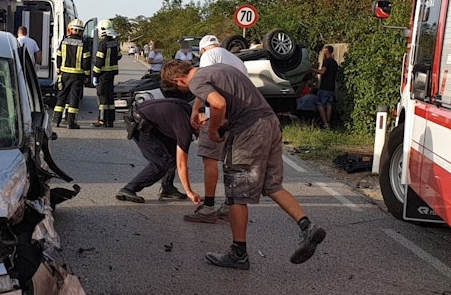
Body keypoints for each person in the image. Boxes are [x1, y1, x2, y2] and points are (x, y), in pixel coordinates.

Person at [161, 59, 325, 270]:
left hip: (250, 131)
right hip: (270, 123)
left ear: (178, 80)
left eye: (179, 88)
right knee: (272, 185)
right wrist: (227, 122)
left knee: (236, 192)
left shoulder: (196, 81)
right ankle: (307, 226)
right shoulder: (221, 68)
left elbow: (219, 103)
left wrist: (213, 130)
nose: (187, 91)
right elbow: (240, 101)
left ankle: (238, 253)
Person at [184, 35, 247, 224]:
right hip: (239, 117)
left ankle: (209, 207)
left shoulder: (208, 56)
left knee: (210, 159)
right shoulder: (237, 60)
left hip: (219, 116)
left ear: (203, 49)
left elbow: (204, 85)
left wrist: (197, 110)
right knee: (231, 164)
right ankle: (229, 206)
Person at [116, 97, 196, 204]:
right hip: (141, 126)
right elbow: (182, 163)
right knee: (162, 162)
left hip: (152, 123)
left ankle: (167, 189)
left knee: (172, 153)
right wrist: (189, 191)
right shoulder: (184, 128)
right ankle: (129, 189)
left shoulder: (189, 110)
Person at [53, 18, 90, 129]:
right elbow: (86, 60)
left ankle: (56, 121)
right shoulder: (83, 44)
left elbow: (58, 57)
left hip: (64, 74)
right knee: (73, 98)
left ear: (71, 30)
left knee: (61, 97)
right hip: (77, 75)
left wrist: (59, 71)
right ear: (80, 31)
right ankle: (71, 122)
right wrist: (87, 75)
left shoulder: (64, 41)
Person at [91, 28, 123, 127]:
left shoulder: (102, 44)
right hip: (111, 73)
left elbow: (99, 61)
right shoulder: (115, 43)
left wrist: (95, 74)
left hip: (103, 74)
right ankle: (110, 121)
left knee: (102, 97)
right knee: (110, 97)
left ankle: (102, 120)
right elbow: (119, 56)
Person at [315, 45, 339, 128]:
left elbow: (322, 72)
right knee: (329, 105)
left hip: (324, 87)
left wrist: (311, 69)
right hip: (331, 87)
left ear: (327, 51)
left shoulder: (326, 61)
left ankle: (325, 123)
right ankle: (328, 123)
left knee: (320, 104)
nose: (323, 52)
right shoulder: (335, 63)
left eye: (324, 50)